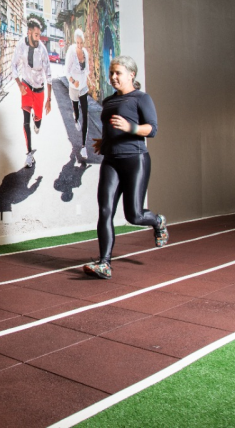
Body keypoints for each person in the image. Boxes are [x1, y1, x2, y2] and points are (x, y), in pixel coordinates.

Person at [84, 55, 168, 280]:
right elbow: (111, 129)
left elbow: (152, 129)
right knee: (105, 211)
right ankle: (104, 264)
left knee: (135, 215)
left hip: (135, 159)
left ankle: (157, 221)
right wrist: (104, 142)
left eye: (118, 73)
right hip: (111, 160)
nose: (113, 77)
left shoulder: (142, 98)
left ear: (131, 74)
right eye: (111, 73)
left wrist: (131, 127)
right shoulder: (109, 101)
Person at [11, 18, 52, 168]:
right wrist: (19, 85)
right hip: (26, 86)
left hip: (39, 90)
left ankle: (38, 120)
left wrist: (49, 99)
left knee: (37, 122)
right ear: (29, 32)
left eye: (39, 34)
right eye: (36, 34)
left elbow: (49, 74)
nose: (38, 38)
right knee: (25, 121)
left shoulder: (42, 49)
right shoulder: (21, 45)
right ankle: (29, 155)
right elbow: (13, 66)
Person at [64, 28, 91, 159]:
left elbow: (88, 69)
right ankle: (75, 118)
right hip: (74, 87)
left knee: (86, 115)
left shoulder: (85, 53)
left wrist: (87, 76)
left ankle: (84, 147)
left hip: (83, 87)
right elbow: (66, 71)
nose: (80, 45)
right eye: (78, 42)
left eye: (82, 43)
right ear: (76, 41)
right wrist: (73, 80)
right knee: (77, 112)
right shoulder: (71, 52)